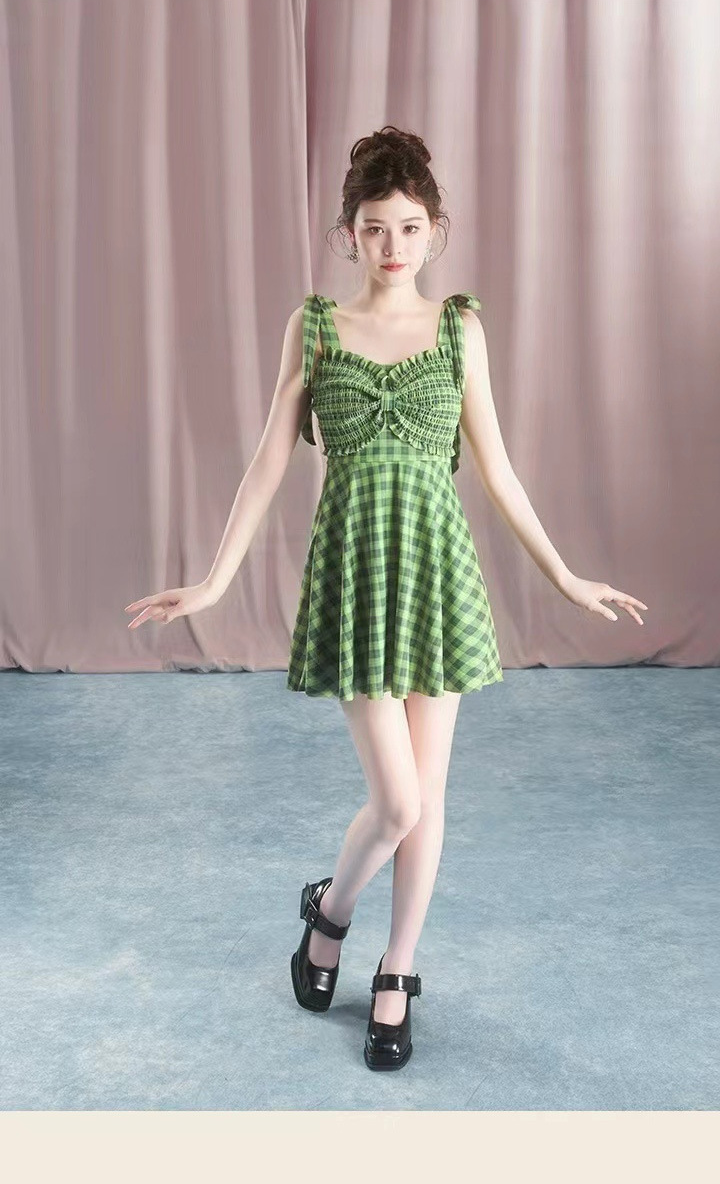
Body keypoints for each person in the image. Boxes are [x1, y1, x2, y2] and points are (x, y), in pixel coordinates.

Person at [124, 125, 648, 1072]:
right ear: (349, 234)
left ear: (435, 229)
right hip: (356, 579)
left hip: (438, 574)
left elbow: (498, 469)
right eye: (374, 228)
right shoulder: (316, 326)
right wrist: (214, 579)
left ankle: (397, 967)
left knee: (429, 795)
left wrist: (566, 575)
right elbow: (267, 462)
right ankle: (330, 911)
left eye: (409, 227)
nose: (393, 244)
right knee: (396, 798)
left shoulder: (458, 328)